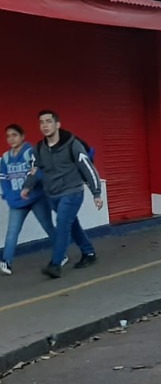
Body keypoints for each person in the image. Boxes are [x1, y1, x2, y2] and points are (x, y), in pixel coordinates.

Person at [21, 110, 102, 279]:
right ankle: (89, 253)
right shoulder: (39, 148)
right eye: (42, 122)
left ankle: (55, 264)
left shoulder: (73, 145)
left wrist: (96, 193)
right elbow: (34, 170)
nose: (45, 125)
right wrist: (27, 187)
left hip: (72, 191)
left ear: (57, 124)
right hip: (53, 194)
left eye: (49, 121)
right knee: (72, 225)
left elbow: (87, 167)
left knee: (63, 224)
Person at [1, 124, 55, 275]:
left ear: (22, 136)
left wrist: (29, 189)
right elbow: (3, 179)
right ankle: (6, 262)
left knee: (48, 226)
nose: (11, 139)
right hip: (16, 201)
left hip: (36, 198)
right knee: (12, 231)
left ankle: (60, 254)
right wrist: (9, 195)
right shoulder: (5, 158)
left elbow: (38, 173)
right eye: (8, 136)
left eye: (14, 135)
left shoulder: (30, 152)